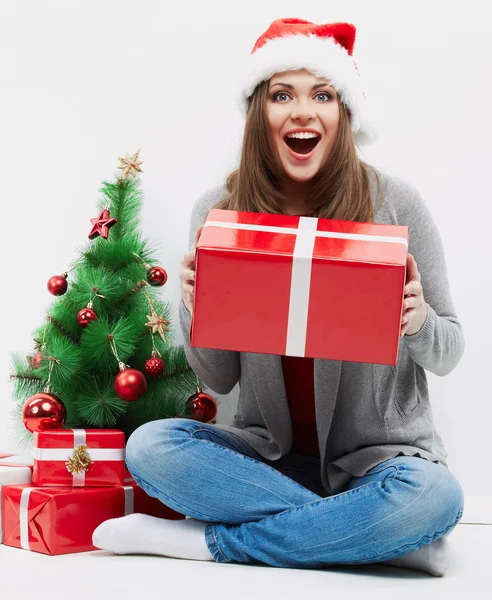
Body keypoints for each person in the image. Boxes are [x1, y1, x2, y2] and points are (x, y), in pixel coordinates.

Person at [93, 18, 464, 576]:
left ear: (344, 113)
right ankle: (379, 538)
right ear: (258, 114)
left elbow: (450, 351)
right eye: (281, 94)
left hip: (380, 463)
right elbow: (218, 380)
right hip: (268, 460)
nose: (302, 112)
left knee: (436, 497)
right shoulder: (220, 209)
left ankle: (211, 544)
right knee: (149, 447)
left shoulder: (395, 203)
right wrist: (193, 307)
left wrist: (417, 321)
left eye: (321, 95)